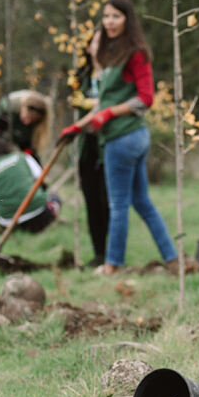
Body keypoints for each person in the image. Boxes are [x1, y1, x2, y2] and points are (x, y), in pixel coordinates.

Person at [58, 0, 177, 275]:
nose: (109, 22)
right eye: (106, 16)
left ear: (128, 19)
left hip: (123, 139)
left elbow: (145, 98)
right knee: (142, 202)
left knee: (118, 204)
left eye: (116, 16)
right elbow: (104, 101)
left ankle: (112, 265)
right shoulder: (112, 53)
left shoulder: (135, 52)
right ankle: (172, 259)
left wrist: (109, 115)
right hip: (129, 137)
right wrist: (78, 126)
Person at [0, 137, 60, 235]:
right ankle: (47, 225)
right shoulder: (22, 157)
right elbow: (42, 180)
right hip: (40, 216)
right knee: (55, 197)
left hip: (9, 225)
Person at [72, 48, 108, 267]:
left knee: (108, 202)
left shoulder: (114, 72)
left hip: (109, 143)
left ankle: (112, 256)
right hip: (87, 145)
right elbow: (75, 100)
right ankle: (99, 254)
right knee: (91, 201)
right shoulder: (82, 76)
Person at [0, 90, 53, 162]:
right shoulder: (6, 111)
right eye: (27, 118)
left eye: (31, 121)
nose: (27, 122)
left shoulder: (31, 125)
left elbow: (26, 146)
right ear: (24, 108)